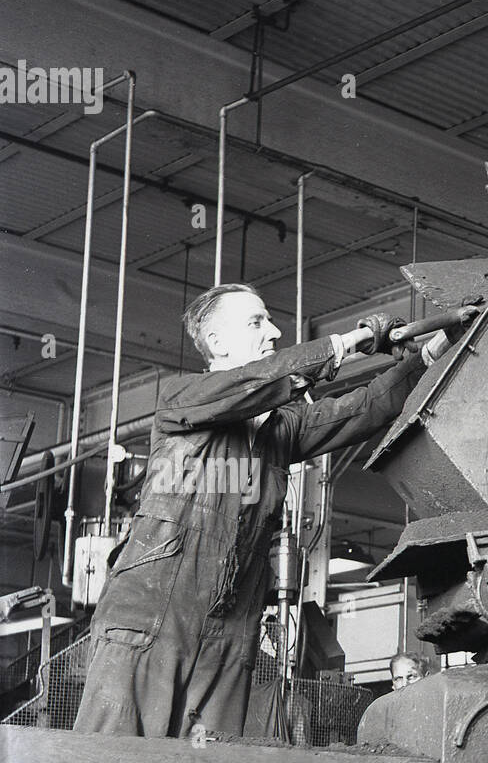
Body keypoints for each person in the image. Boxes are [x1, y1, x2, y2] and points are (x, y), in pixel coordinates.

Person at [73, 284, 467, 737]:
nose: (274, 331)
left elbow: (367, 407)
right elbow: (257, 383)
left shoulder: (281, 431)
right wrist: (343, 346)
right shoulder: (182, 400)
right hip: (150, 615)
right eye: (257, 321)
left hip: (230, 627)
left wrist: (433, 352)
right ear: (217, 342)